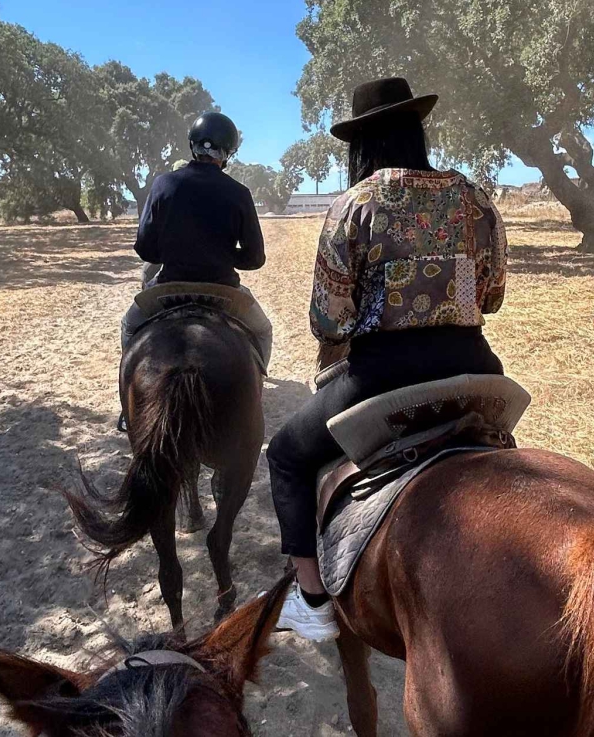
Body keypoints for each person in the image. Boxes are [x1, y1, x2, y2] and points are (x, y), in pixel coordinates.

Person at [267, 77, 508, 641]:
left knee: (284, 456)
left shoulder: (356, 205)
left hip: (382, 378)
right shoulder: (475, 198)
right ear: (415, 131)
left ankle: (313, 602)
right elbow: (492, 298)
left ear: (361, 144)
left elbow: (328, 321)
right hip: (476, 367)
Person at [121, 112, 273, 366]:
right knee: (263, 331)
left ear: (192, 146)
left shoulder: (162, 185)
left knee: (129, 326)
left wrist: (175, 250)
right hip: (224, 289)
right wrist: (220, 253)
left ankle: (128, 400)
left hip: (169, 288)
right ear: (228, 153)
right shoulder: (240, 193)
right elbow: (255, 258)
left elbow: (145, 249)